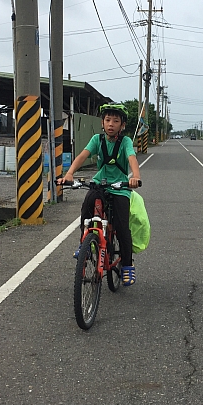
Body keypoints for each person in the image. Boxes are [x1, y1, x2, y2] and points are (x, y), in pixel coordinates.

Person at [58, 103, 142, 286]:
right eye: (107, 120)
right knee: (87, 208)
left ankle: (127, 265)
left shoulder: (125, 142)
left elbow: (131, 158)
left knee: (121, 227)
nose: (111, 124)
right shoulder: (97, 139)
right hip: (100, 183)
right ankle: (85, 246)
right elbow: (83, 155)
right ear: (102, 123)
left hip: (120, 186)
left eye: (116, 121)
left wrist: (135, 176)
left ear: (123, 125)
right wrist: (70, 173)